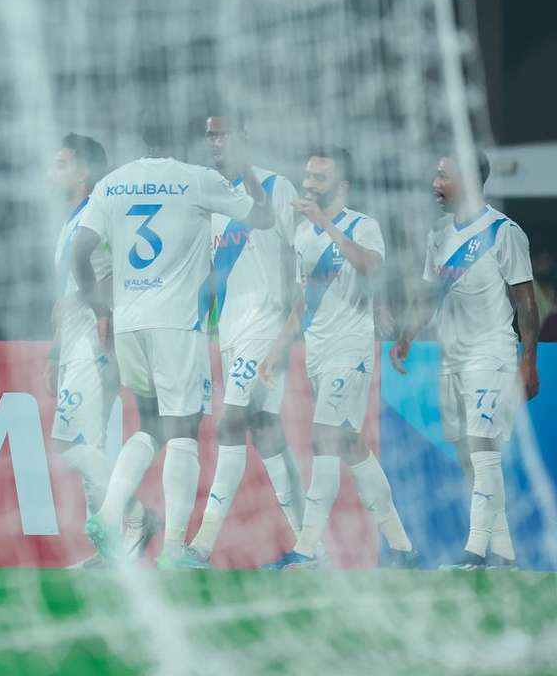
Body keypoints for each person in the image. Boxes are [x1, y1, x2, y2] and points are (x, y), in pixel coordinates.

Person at [74, 121, 274, 567]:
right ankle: (173, 551)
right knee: (183, 430)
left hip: (128, 322)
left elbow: (80, 248)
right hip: (177, 323)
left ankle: (109, 513)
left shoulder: (112, 184)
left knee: (149, 423)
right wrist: (251, 176)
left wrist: (98, 307)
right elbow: (264, 218)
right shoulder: (197, 178)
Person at [260, 147, 416, 569]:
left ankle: (307, 548)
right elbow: (302, 302)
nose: (310, 185)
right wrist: (277, 350)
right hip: (317, 349)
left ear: (342, 186)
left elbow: (370, 267)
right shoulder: (301, 235)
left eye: (320, 179)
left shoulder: (363, 226)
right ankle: (400, 545)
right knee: (352, 446)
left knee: (324, 438)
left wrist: (325, 223)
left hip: (351, 350)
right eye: (308, 176)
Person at [391, 149, 539, 570]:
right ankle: (505, 552)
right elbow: (427, 296)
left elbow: (525, 300)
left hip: (490, 353)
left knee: (482, 447)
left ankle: (475, 552)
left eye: (443, 176)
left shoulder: (503, 232)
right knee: (466, 454)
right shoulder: (438, 235)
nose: (435, 184)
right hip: (450, 357)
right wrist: (407, 335)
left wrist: (528, 359)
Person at [185, 117, 307, 566]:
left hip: (267, 324)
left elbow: (302, 252)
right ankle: (311, 546)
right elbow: (214, 270)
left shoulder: (277, 187)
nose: (216, 142)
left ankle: (202, 544)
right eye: (210, 134)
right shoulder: (213, 196)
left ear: (244, 139)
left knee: (230, 421)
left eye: (224, 134)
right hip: (233, 329)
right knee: (265, 430)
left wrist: (295, 318)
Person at [47, 134, 157, 567]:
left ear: (84, 172)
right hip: (75, 335)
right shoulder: (71, 219)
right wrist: (55, 350)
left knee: (68, 440)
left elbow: (119, 274)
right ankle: (111, 549)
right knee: (86, 441)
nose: (49, 173)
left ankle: (135, 515)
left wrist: (97, 312)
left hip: (97, 333)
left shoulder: (101, 213)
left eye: (59, 163)